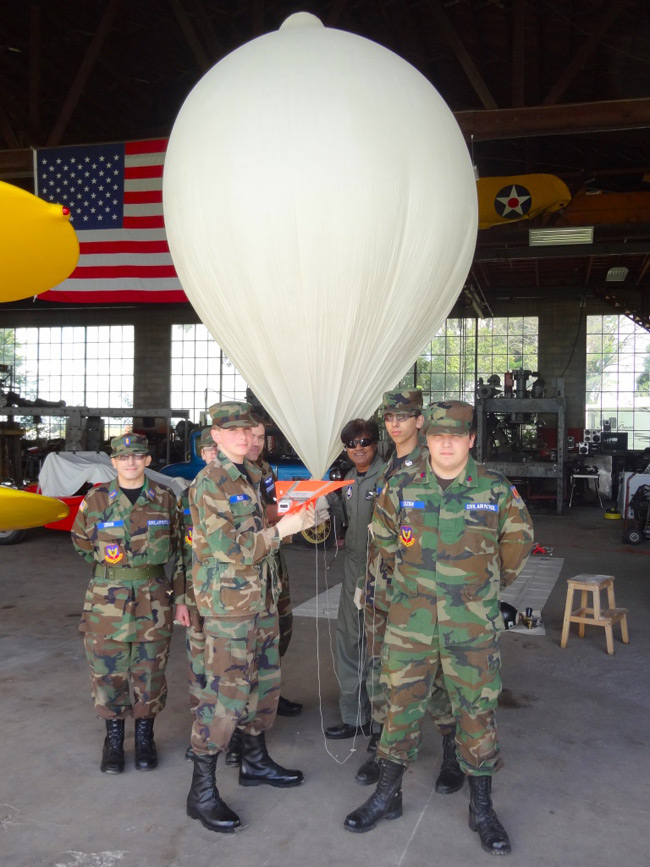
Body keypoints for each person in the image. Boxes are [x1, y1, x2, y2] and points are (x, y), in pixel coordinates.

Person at [344, 400, 534, 856]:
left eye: (456, 435)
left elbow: (518, 542)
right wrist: (387, 598)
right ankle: (388, 794)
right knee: (399, 708)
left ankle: (482, 808)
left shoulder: (495, 489)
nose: (446, 442)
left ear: (471, 439)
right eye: (437, 435)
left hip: (471, 627)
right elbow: (383, 545)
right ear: (426, 438)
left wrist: (482, 587)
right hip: (410, 624)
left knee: (476, 712)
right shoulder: (402, 484)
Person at [186, 401, 315, 833]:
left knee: (263, 685)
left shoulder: (254, 475)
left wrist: (299, 514)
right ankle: (201, 791)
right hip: (227, 609)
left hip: (260, 602)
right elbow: (234, 548)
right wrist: (283, 531)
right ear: (216, 436)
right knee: (224, 697)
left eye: (248, 429)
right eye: (233, 430)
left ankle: (255, 762)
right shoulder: (210, 483)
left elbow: (264, 523)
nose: (243, 436)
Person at [355, 390, 463, 798]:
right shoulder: (385, 466)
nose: (395, 423)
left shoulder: (432, 464)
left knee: (433, 672)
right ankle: (384, 750)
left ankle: (451, 749)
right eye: (389, 417)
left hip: (419, 592)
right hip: (380, 585)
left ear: (421, 421)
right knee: (381, 667)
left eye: (404, 416)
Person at [71, 432, 188, 774]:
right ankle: (113, 740)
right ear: (114, 462)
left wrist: (180, 598)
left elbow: (182, 553)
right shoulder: (96, 499)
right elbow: (80, 543)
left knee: (150, 672)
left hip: (154, 599)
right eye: (124, 457)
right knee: (108, 673)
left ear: (148, 460)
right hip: (107, 601)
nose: (131, 462)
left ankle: (145, 737)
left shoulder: (165, 499)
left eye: (138, 456)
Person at [325, 418, 384, 740]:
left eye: (364, 442)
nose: (357, 449)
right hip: (353, 568)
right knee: (348, 639)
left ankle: (380, 722)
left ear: (375, 444)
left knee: (378, 646)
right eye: (351, 444)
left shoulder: (390, 478)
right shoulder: (348, 480)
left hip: (382, 571)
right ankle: (354, 716)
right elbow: (344, 520)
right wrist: (326, 496)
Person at [180, 427, 216, 761]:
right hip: (195, 595)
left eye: (217, 449)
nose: (213, 455)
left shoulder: (234, 490)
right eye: (207, 450)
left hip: (226, 596)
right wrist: (180, 597)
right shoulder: (188, 495)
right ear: (201, 454)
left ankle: (229, 733)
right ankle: (201, 729)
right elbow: (181, 552)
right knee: (198, 664)